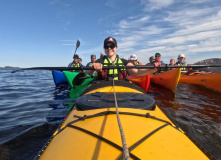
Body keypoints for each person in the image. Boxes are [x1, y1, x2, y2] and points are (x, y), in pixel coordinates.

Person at [86, 36, 158, 80]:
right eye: (106, 46)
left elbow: (137, 71)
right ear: (104, 49)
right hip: (102, 91)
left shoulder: (124, 62)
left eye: (112, 46)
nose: (109, 48)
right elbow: (88, 72)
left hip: (121, 90)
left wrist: (151, 69)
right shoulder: (99, 61)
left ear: (116, 48)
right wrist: (93, 67)